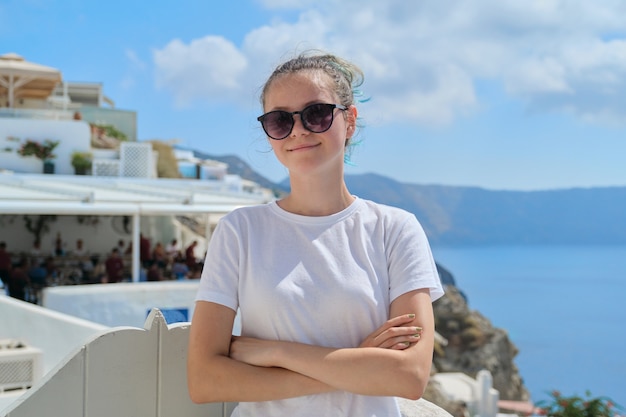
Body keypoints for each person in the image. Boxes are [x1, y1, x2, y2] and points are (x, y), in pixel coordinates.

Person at [187, 51, 444, 416]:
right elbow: (205, 380)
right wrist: (359, 364)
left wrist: (276, 353)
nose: (299, 130)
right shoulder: (239, 231)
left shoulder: (395, 229)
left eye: (316, 113)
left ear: (349, 120)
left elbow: (409, 376)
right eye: (279, 120)